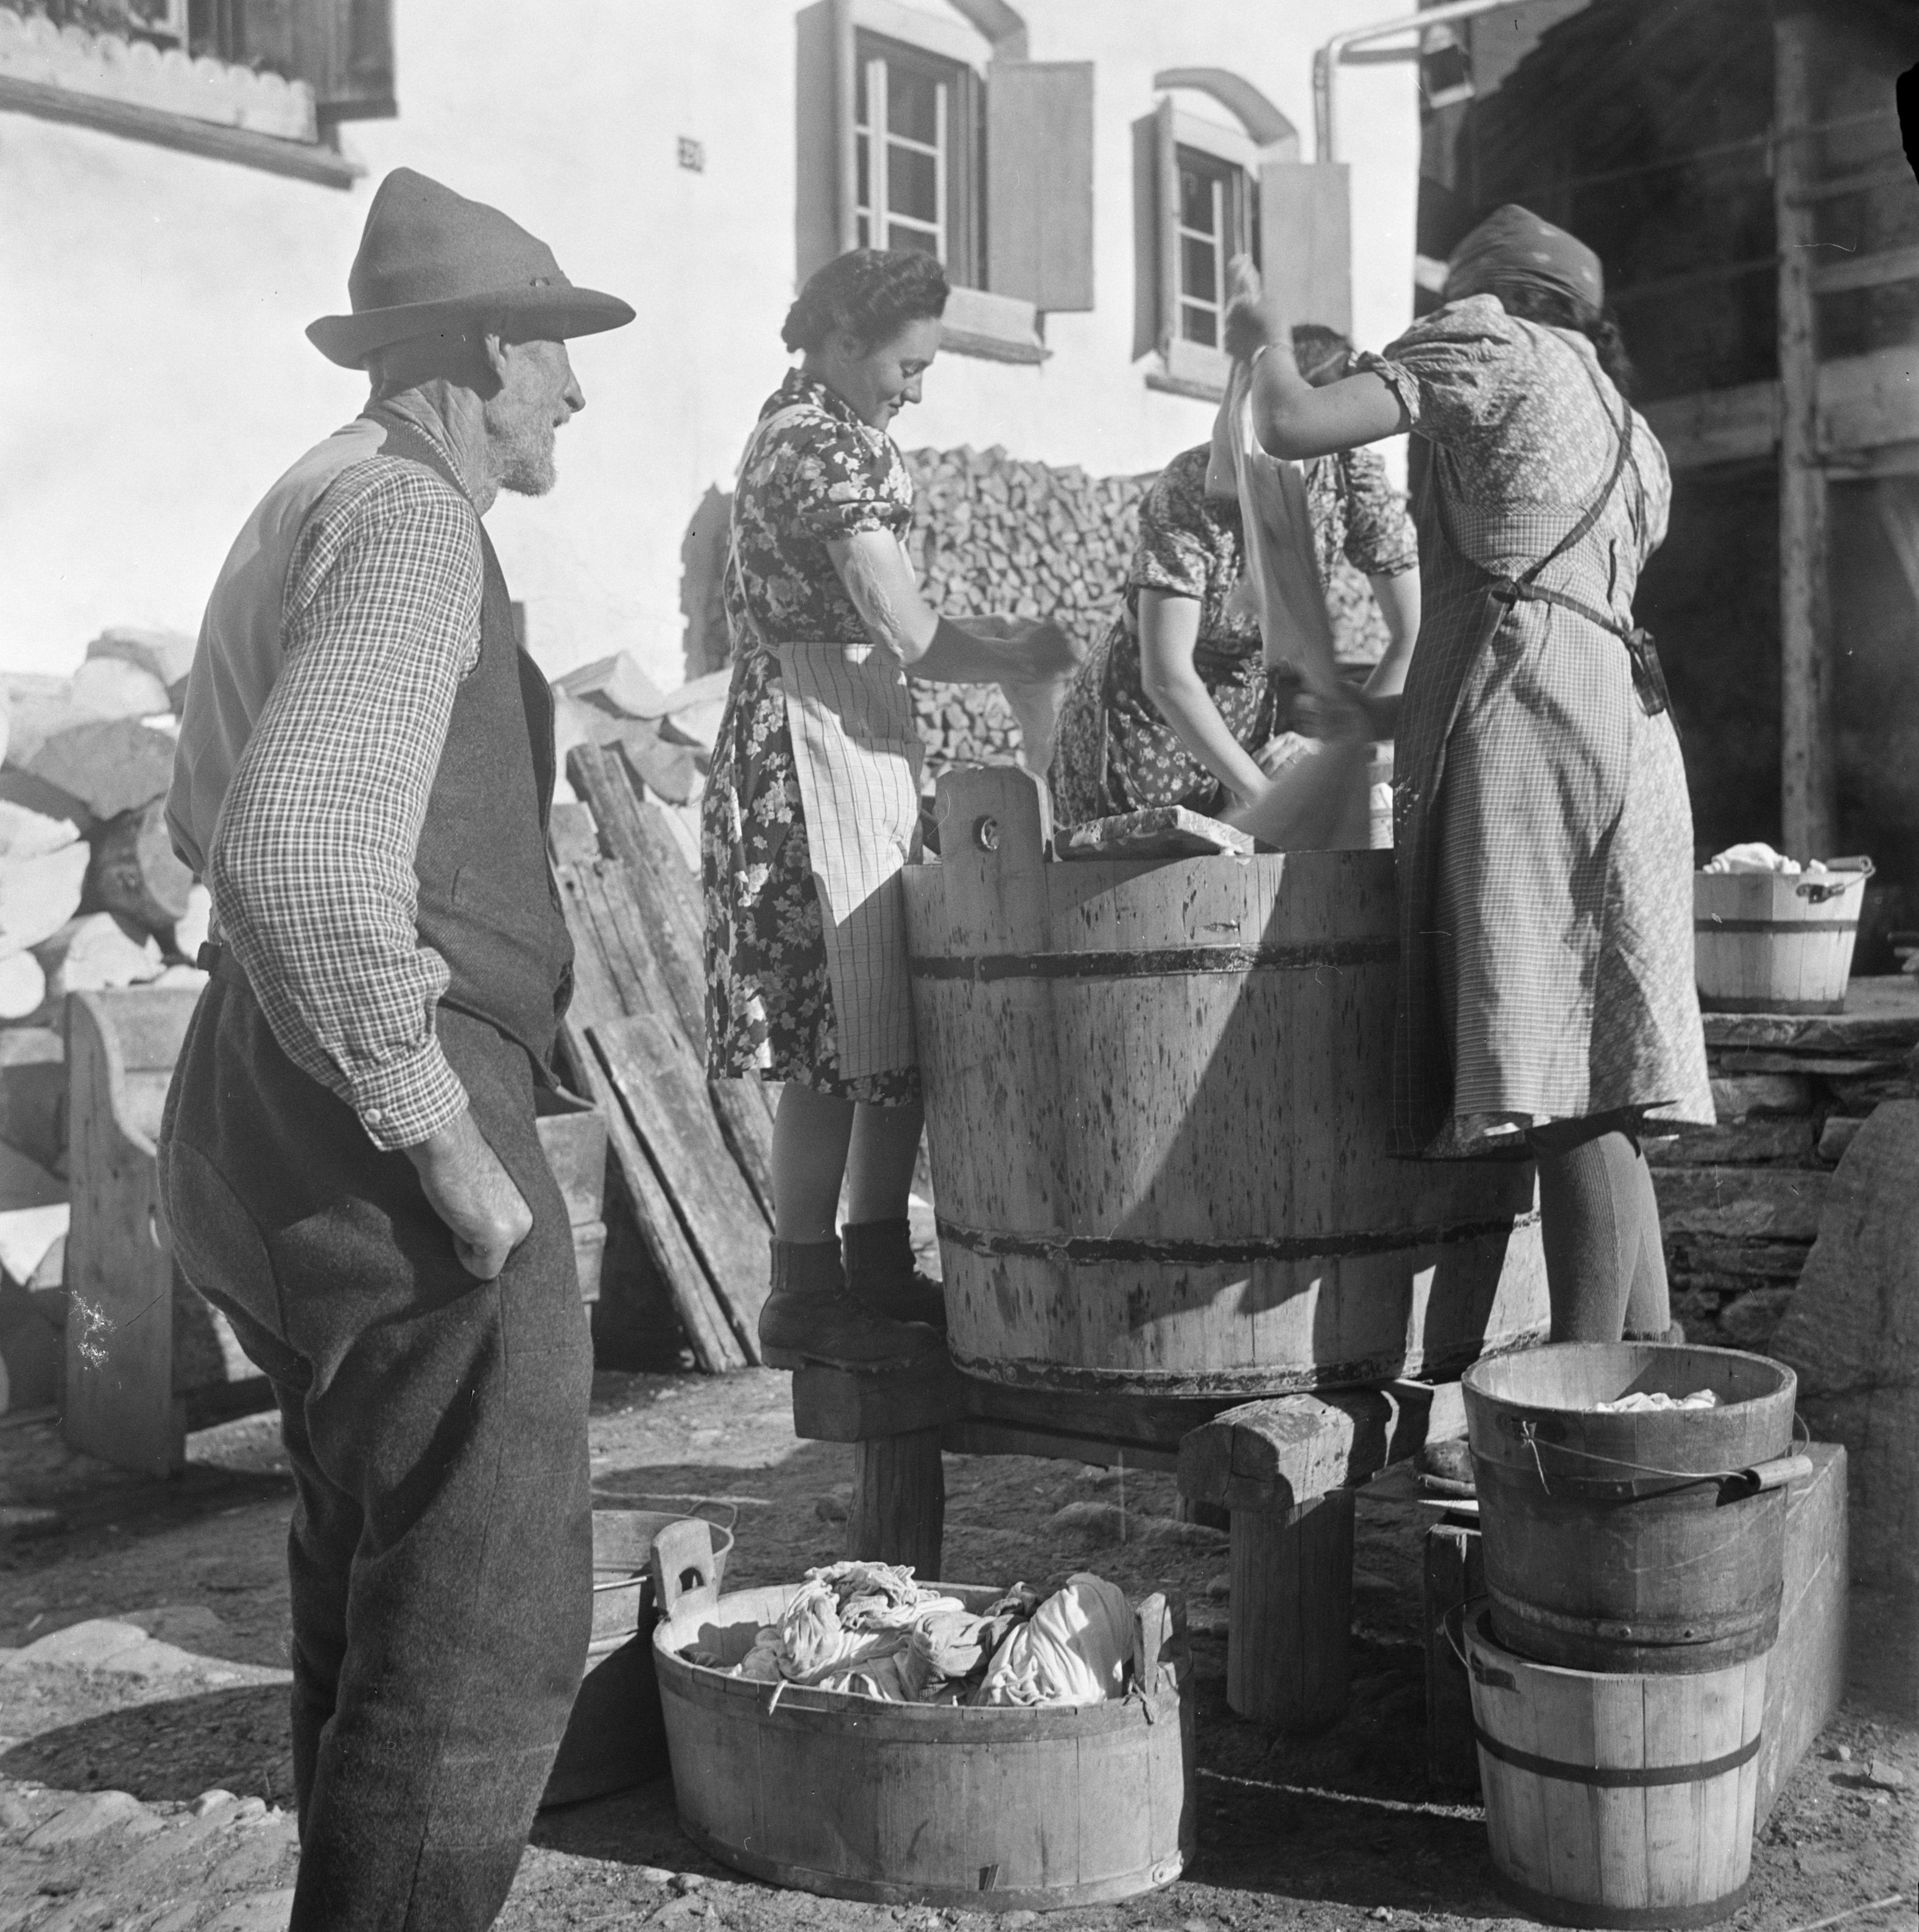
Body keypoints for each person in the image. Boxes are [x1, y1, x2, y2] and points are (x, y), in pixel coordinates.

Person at [158, 169, 633, 1932]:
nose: (576, 389)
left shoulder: (309, 491)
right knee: (478, 1623)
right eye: (557, 351)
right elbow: (292, 853)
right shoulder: (413, 519)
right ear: (487, 350)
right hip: (375, 1106)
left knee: (373, 1582)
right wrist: (441, 1140)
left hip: (256, 1080)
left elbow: (203, 830)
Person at [1222, 204, 1712, 1345]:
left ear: (1493, 293)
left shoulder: (1489, 340)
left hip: (1535, 732)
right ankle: (1655, 1377)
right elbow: (1537, 601)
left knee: (1567, 1084)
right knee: (1605, 1070)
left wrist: (1259, 334)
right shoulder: (1631, 430)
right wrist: (1370, 713)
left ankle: (1579, 1389)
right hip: (1621, 733)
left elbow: (1291, 424)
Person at [703, 247, 1083, 1371]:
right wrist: (1023, 655)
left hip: (856, 735)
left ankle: (874, 1260)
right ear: (839, 341)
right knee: (830, 1030)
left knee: (887, 1014)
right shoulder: (817, 445)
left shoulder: (829, 429)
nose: (915, 391)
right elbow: (907, 629)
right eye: (904, 368)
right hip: (806, 750)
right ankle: (802, 1285)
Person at [1050, 325, 1420, 826]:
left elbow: (1409, 632)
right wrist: (1266, 797)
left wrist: (1332, 745)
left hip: (1247, 723)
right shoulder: (1193, 489)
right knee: (1151, 866)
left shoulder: (1349, 476)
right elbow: (1167, 674)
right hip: (1145, 729)